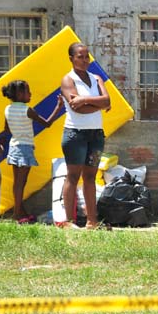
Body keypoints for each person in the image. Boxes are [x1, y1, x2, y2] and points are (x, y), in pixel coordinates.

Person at [60, 42, 111, 230]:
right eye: (80, 57)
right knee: (73, 176)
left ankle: (92, 221)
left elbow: (107, 100)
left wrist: (85, 99)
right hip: (75, 135)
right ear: (71, 59)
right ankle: (68, 221)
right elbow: (77, 109)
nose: (84, 60)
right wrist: (98, 104)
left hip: (96, 135)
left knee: (90, 177)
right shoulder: (68, 80)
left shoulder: (96, 78)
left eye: (87, 56)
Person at [2, 80, 64, 224]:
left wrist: (18, 131)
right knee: (21, 183)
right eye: (28, 92)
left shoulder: (7, 109)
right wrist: (58, 106)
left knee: (17, 183)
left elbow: (6, 129)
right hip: (25, 148)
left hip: (14, 146)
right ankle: (17, 214)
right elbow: (47, 123)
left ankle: (20, 211)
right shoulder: (27, 110)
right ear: (20, 94)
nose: (30, 94)